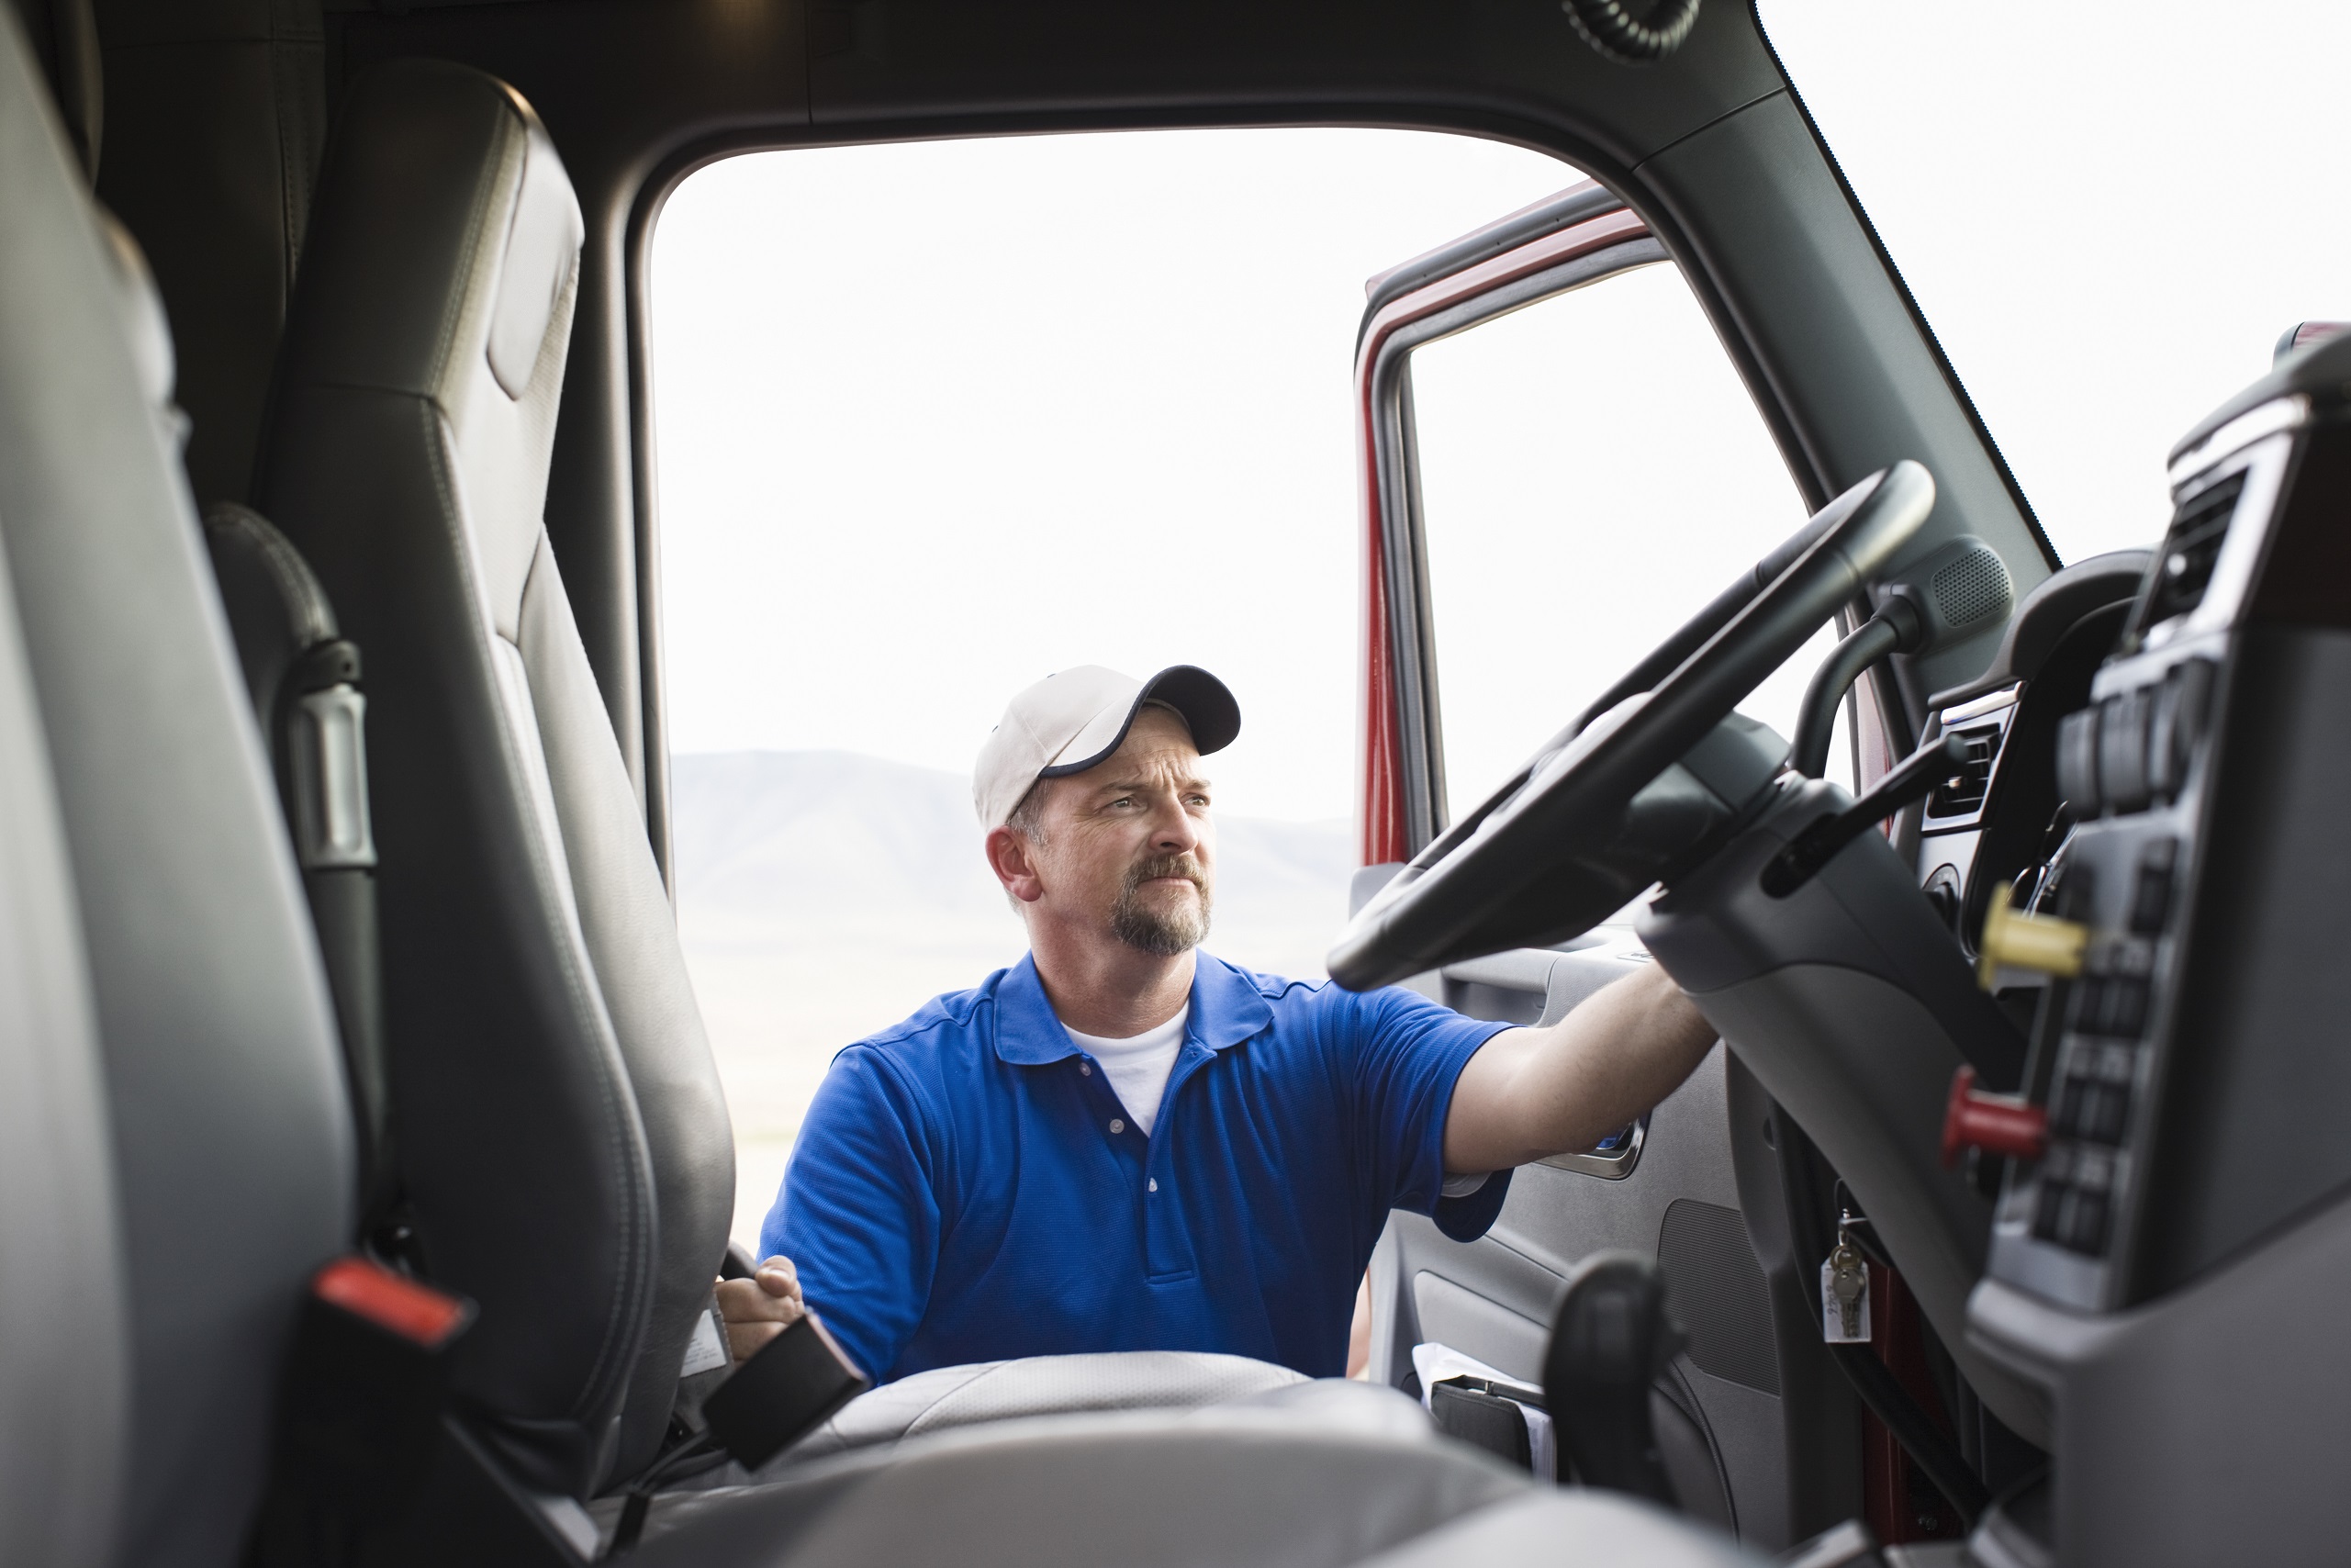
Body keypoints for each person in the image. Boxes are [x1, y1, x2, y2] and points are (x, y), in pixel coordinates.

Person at [717, 665, 1719, 1380]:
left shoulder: (1332, 1044)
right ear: (1017, 863)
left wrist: (1727, 925)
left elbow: (1551, 1090)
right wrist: (763, 1358)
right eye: (1123, 801)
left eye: (1194, 796)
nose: (1178, 829)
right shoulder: (896, 1098)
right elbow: (807, 1403)